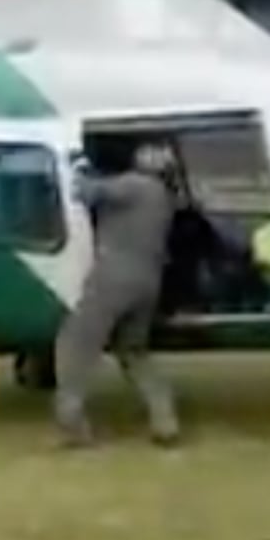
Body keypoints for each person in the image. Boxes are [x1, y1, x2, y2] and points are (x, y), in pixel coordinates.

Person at [52, 142, 181, 449]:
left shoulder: (136, 185)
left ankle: (72, 424)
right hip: (148, 280)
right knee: (133, 352)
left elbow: (85, 191)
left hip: (114, 278)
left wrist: (78, 163)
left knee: (74, 344)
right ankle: (165, 419)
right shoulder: (164, 196)